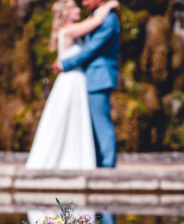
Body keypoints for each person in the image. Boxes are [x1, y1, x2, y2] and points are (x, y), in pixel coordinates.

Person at [26, 0, 119, 170]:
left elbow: (91, 48)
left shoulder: (106, 20)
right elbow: (94, 26)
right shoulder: (71, 30)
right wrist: (109, 5)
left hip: (90, 79)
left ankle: (105, 167)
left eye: (83, 2)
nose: (82, 5)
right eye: (75, 6)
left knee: (93, 124)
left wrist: (65, 63)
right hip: (74, 82)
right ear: (66, 13)